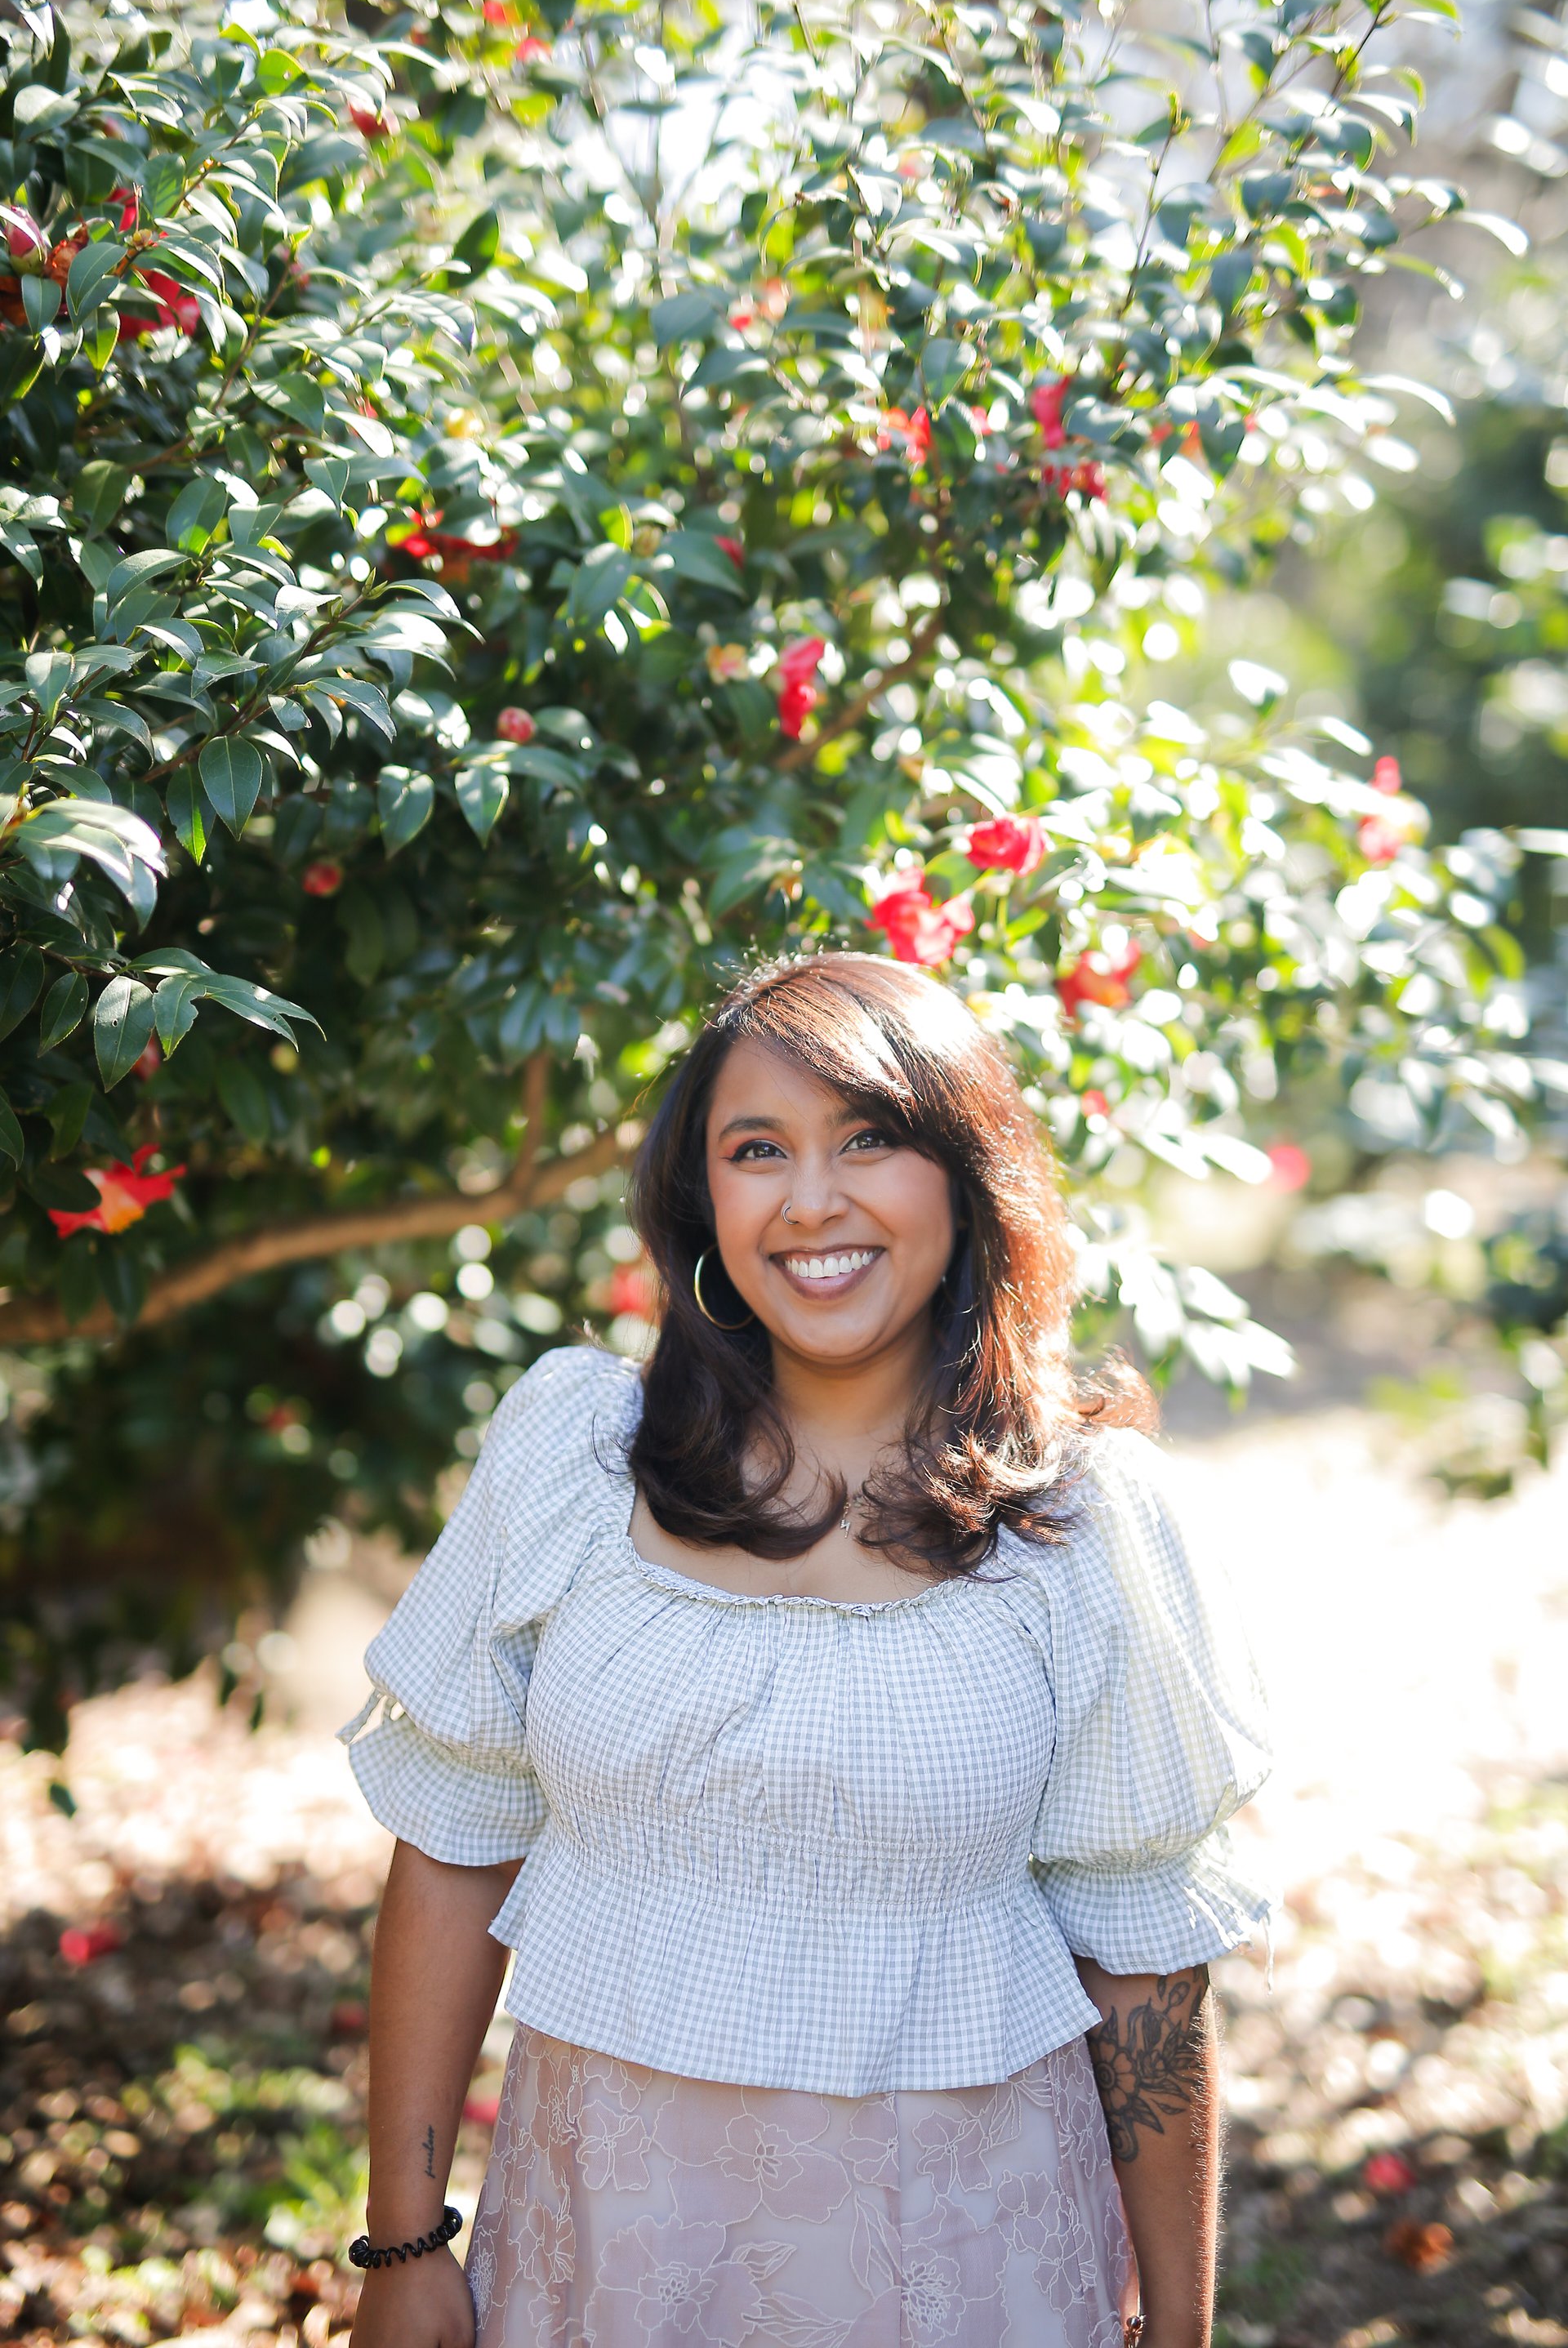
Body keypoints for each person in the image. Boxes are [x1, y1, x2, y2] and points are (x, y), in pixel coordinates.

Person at [341, 951, 1272, 2348]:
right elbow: (454, 1851)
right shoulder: (575, 1456)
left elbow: (1146, 1968)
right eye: (757, 1149)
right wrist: (406, 2245)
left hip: (964, 2266)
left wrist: (1183, 2332)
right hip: (606, 2250)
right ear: (702, 1199)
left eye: (871, 1138)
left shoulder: (1083, 1527)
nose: (812, 1200)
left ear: (967, 1182)